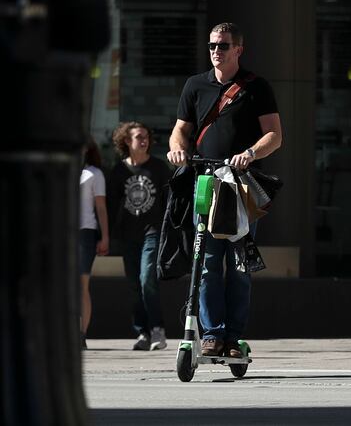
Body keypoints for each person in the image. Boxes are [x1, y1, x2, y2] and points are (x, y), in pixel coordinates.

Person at [167, 22, 282, 358]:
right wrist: (177, 149)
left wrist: (250, 153)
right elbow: (179, 131)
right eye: (213, 45)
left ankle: (233, 336)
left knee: (239, 264)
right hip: (205, 180)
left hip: (240, 184)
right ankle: (212, 335)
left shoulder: (256, 87)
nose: (216, 51)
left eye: (224, 45)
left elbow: (275, 135)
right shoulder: (195, 85)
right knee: (206, 262)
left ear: (238, 50)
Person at [108, 121, 173, 351]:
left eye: (146, 136)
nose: (144, 141)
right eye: (138, 137)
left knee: (147, 280)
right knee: (134, 285)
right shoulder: (119, 171)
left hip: (152, 232)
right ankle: (142, 332)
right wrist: (107, 236)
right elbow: (111, 205)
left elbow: (169, 200)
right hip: (128, 235)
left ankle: (157, 329)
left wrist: (170, 230)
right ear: (127, 141)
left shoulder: (158, 167)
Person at [79, 137, 110, 350]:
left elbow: (100, 207)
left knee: (81, 285)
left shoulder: (94, 174)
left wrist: (105, 236)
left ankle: (81, 333)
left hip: (85, 232)